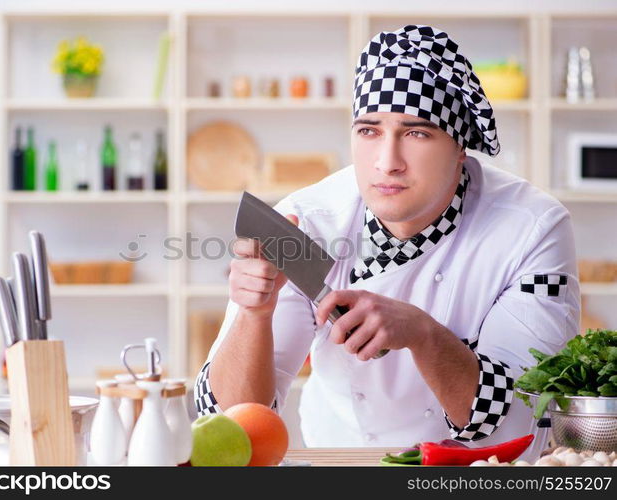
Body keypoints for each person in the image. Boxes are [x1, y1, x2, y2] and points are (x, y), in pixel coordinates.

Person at [194, 25, 580, 455]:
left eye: (416, 133)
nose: (387, 162)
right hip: (341, 463)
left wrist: (423, 334)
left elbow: (523, 413)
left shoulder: (531, 228)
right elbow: (233, 425)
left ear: (459, 148)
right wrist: (254, 314)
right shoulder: (308, 221)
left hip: (482, 469)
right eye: (369, 131)